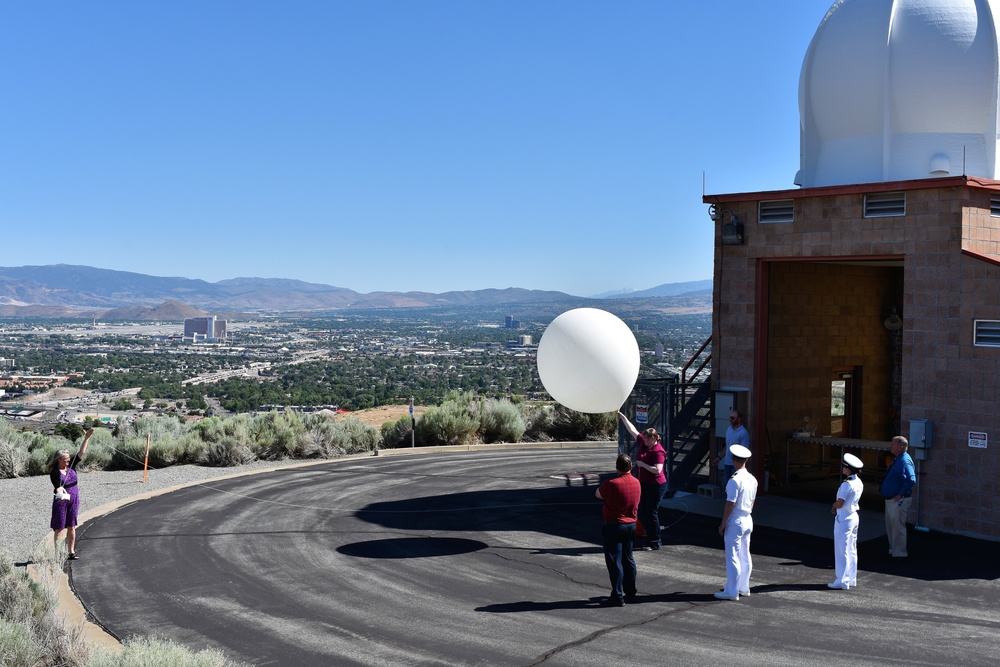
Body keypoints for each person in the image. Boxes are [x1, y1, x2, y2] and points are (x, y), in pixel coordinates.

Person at [595, 453, 641, 607]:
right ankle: (631, 591)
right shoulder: (636, 482)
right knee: (629, 558)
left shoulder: (612, 483)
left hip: (615, 525)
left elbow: (598, 494)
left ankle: (617, 595)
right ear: (631, 467)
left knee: (615, 561)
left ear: (617, 467)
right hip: (631, 524)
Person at [616, 411, 667, 550]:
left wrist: (642, 464)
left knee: (651, 512)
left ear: (653, 438)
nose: (643, 440)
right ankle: (650, 534)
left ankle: (655, 541)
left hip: (656, 485)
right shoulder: (645, 444)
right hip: (644, 483)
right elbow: (633, 430)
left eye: (646, 439)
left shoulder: (658, 451)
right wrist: (624, 418)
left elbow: (658, 470)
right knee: (644, 511)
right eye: (643, 438)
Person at [715, 444, 757, 601]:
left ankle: (732, 591)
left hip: (736, 519)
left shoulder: (735, 480)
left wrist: (723, 523)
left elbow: (730, 504)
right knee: (745, 555)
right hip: (748, 517)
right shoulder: (752, 479)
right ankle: (744, 587)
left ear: (733, 460)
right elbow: (752, 501)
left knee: (732, 555)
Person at [49, 428, 94, 560]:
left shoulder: (71, 467)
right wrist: (60, 492)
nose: (68, 462)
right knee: (59, 528)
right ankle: (57, 555)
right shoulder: (55, 472)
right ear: (59, 460)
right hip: (61, 502)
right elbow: (57, 487)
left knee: (72, 526)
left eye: (69, 459)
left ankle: (71, 552)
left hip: (74, 499)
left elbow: (81, 453)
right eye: (66, 460)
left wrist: (87, 438)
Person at [829, 452, 864, 590]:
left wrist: (833, 505)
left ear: (848, 468)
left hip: (844, 517)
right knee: (851, 549)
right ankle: (851, 578)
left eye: (844, 466)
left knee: (841, 549)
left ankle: (841, 580)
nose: (843, 468)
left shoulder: (846, 484)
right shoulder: (858, 481)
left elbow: (840, 502)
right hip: (854, 516)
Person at [880, 435, 916, 557]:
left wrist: (900, 494)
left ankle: (899, 554)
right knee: (891, 527)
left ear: (900, 447)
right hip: (892, 500)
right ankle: (894, 551)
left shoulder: (903, 460)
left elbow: (911, 479)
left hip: (898, 501)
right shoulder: (899, 459)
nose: (891, 446)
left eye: (893, 444)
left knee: (897, 528)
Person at [712, 410, 749, 486]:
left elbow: (744, 451)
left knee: (735, 485)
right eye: (730, 418)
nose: (730, 420)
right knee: (726, 485)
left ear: (739, 419)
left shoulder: (743, 433)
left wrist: (740, 465)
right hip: (727, 463)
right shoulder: (729, 430)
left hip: (736, 465)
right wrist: (719, 458)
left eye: (733, 418)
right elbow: (727, 446)